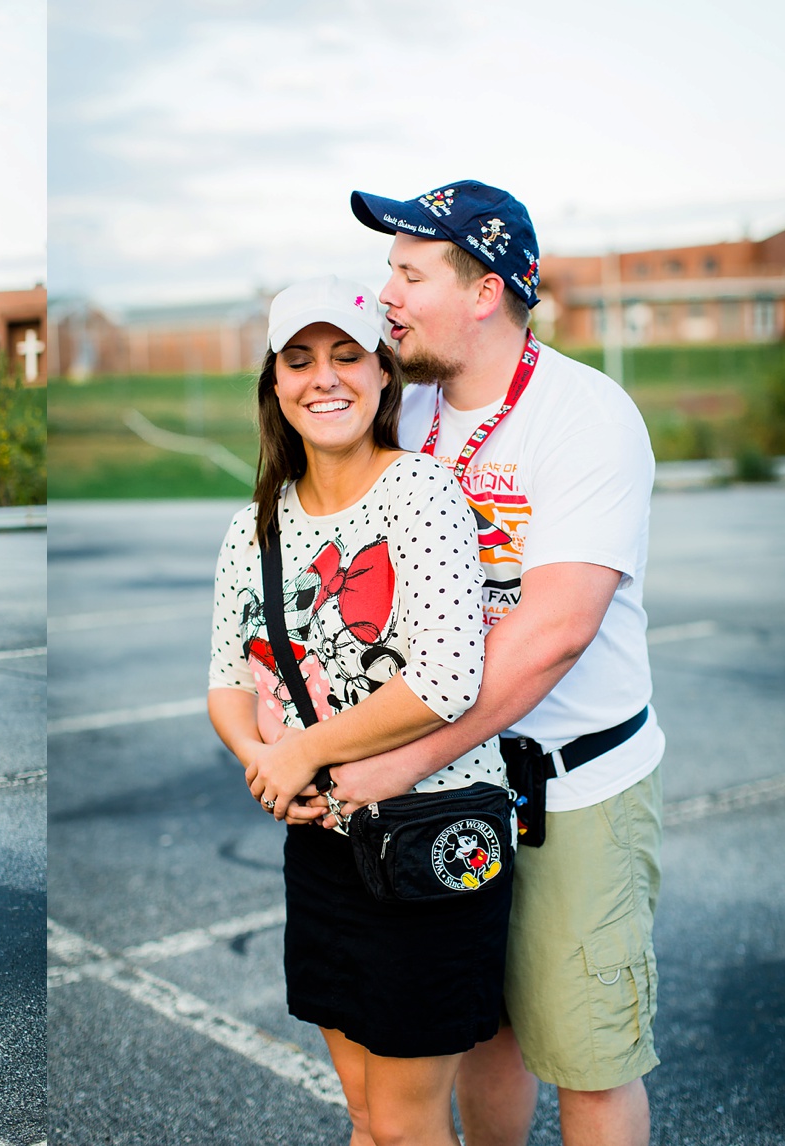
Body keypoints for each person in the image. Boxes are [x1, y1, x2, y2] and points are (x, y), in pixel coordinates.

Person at [317, 181, 664, 1146]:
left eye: (409, 271)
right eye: (388, 267)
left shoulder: (585, 416)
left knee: (588, 1060)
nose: (385, 291)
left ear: (482, 292)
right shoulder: (405, 409)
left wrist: (396, 762)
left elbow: (552, 633)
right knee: (482, 1034)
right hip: (449, 785)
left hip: (570, 786)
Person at [208, 276, 513, 1146]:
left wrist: (301, 752)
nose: (323, 378)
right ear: (274, 383)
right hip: (323, 847)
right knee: (365, 1114)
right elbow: (228, 684)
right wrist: (264, 762)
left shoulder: (422, 495)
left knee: (411, 1122)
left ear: (384, 374)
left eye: (346, 355)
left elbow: (448, 678)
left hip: (430, 838)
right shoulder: (252, 527)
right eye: (298, 360)